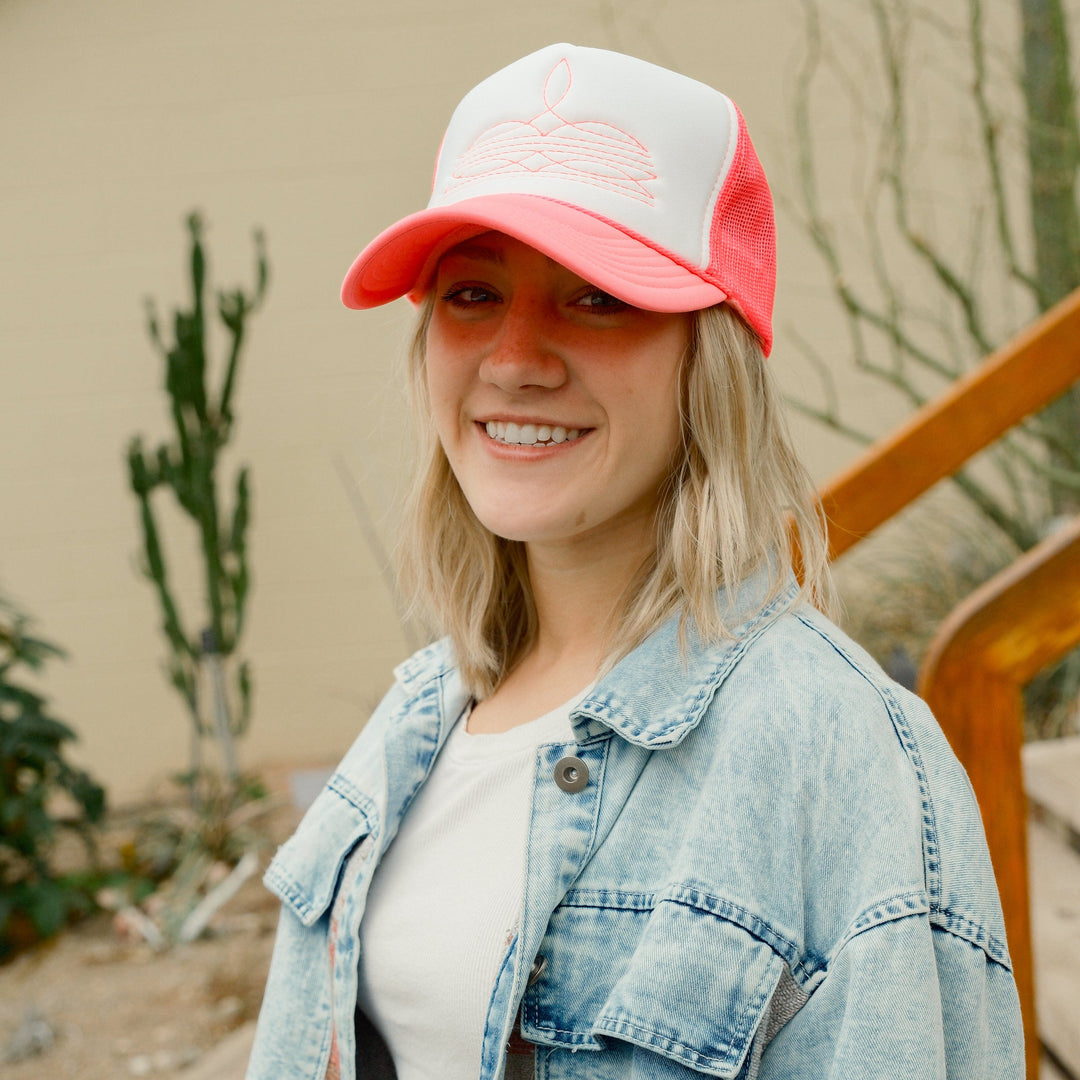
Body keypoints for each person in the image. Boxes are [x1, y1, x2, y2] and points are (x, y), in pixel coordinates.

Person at [247, 43, 1023, 1080]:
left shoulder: (845, 760)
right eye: (473, 294)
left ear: (711, 359)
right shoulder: (414, 723)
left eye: (597, 297)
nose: (516, 358)